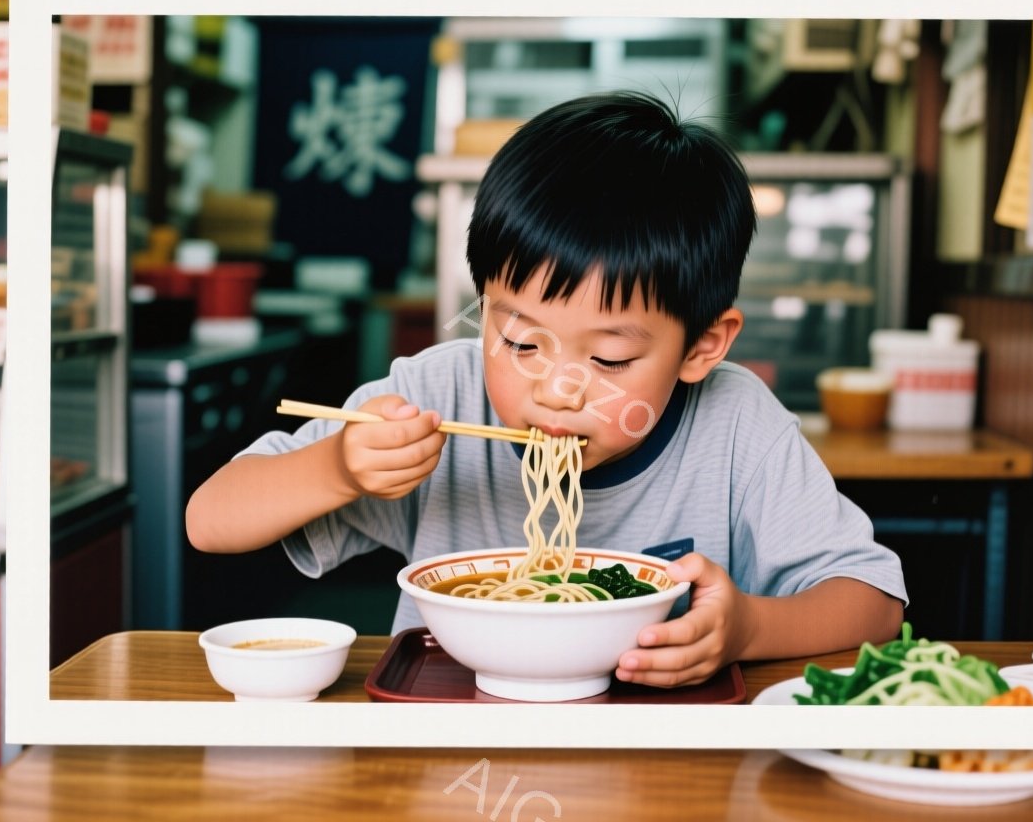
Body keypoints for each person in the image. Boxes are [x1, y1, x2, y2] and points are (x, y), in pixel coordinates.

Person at [188, 90, 906, 688]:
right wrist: (339, 466)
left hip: (664, 762)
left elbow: (874, 606)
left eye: (612, 358)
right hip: (448, 747)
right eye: (521, 342)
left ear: (702, 346)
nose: (558, 390)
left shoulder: (735, 420)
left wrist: (747, 627)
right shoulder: (438, 392)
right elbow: (210, 520)